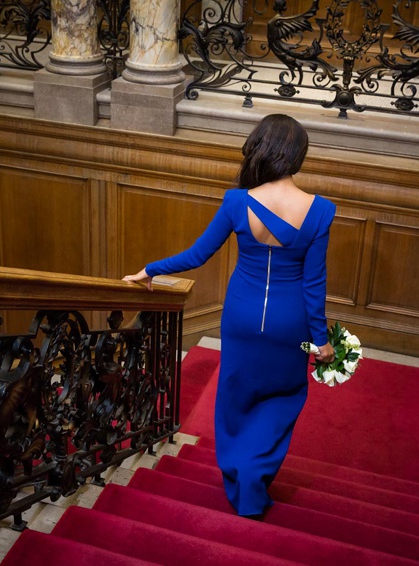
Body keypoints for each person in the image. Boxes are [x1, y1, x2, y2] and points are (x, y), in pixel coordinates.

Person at [123, 114, 336, 517]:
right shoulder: (321, 211)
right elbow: (314, 284)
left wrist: (150, 269)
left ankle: (240, 476)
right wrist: (320, 339)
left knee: (237, 394)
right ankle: (256, 475)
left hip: (241, 315)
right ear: (297, 155)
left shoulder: (237, 201)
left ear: (261, 148)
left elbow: (197, 254)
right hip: (289, 324)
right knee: (285, 394)